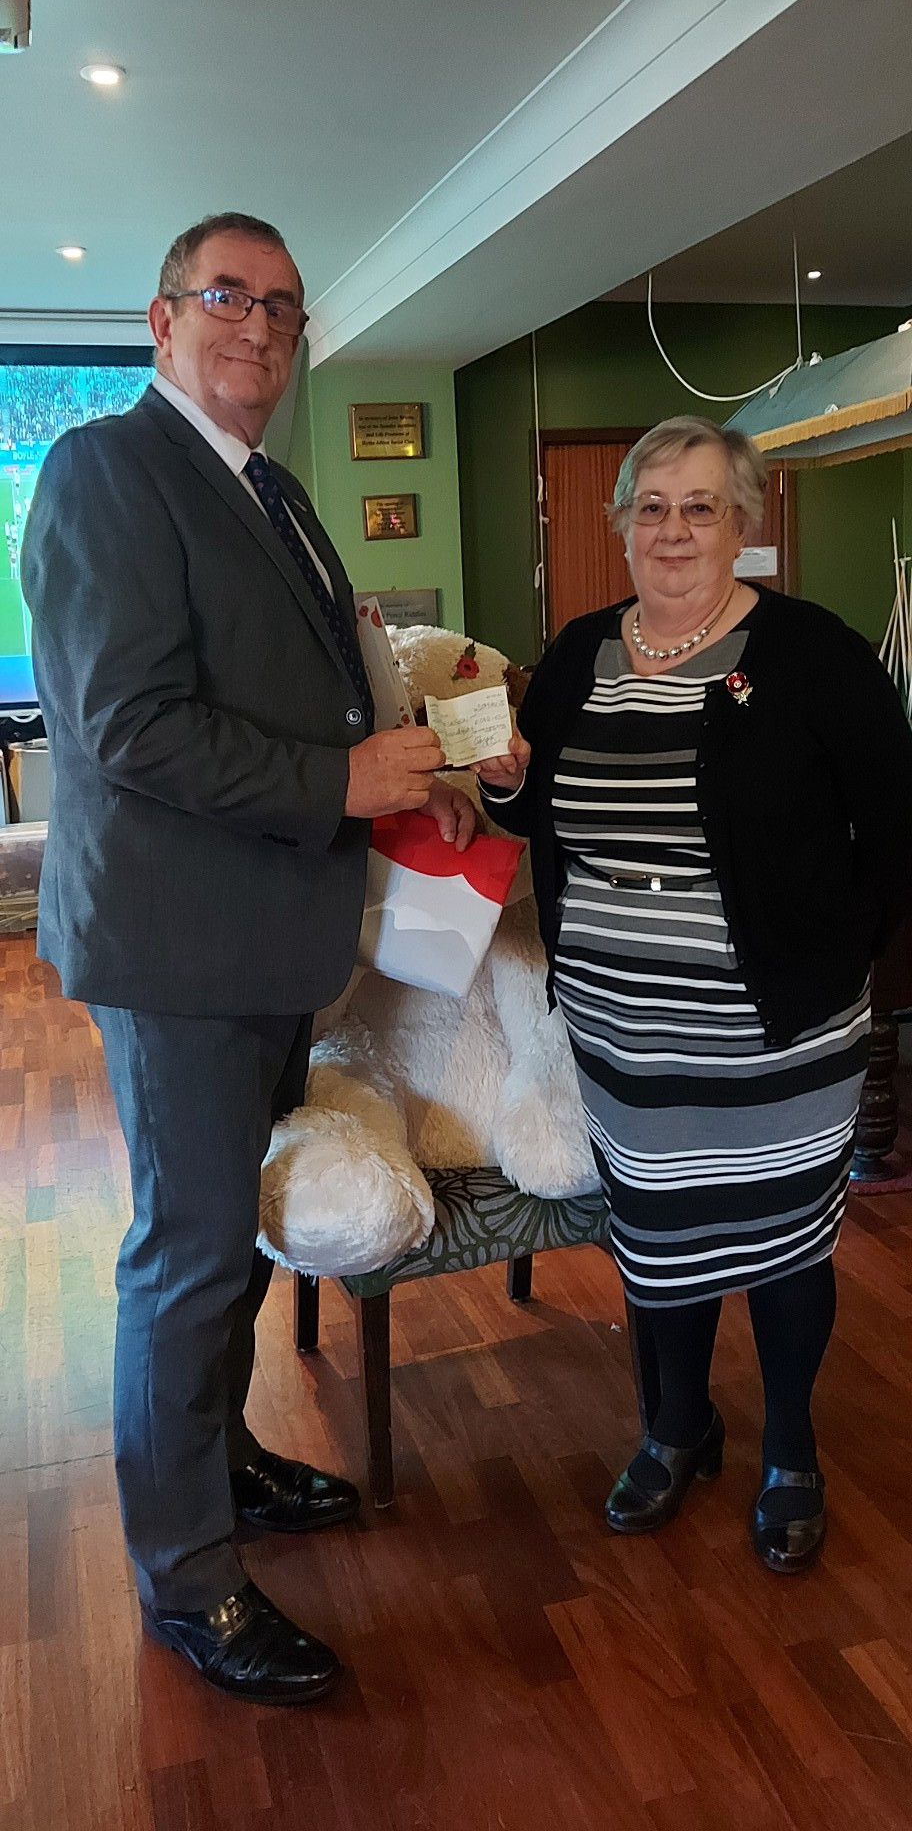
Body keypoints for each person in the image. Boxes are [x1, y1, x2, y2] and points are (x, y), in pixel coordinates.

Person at [21, 211, 473, 1702]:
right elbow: (126, 726)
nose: (261, 328)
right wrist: (345, 786)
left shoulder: (273, 488)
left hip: (263, 936)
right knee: (193, 1259)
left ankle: (227, 1461)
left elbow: (328, 684)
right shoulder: (106, 469)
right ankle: (189, 1581)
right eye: (228, 298)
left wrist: (419, 756)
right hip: (178, 943)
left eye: (284, 308)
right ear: (162, 321)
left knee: (217, 1250)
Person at [476, 414, 912, 1574]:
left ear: (745, 522)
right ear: (621, 524)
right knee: (659, 1241)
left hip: (781, 1029)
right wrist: (510, 785)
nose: (674, 529)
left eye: (701, 505)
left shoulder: (814, 651)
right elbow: (535, 816)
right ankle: (677, 1428)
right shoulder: (576, 653)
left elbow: (898, 826)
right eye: (652, 506)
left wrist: (846, 947)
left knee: (784, 1245)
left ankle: (792, 1447)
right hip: (625, 1026)